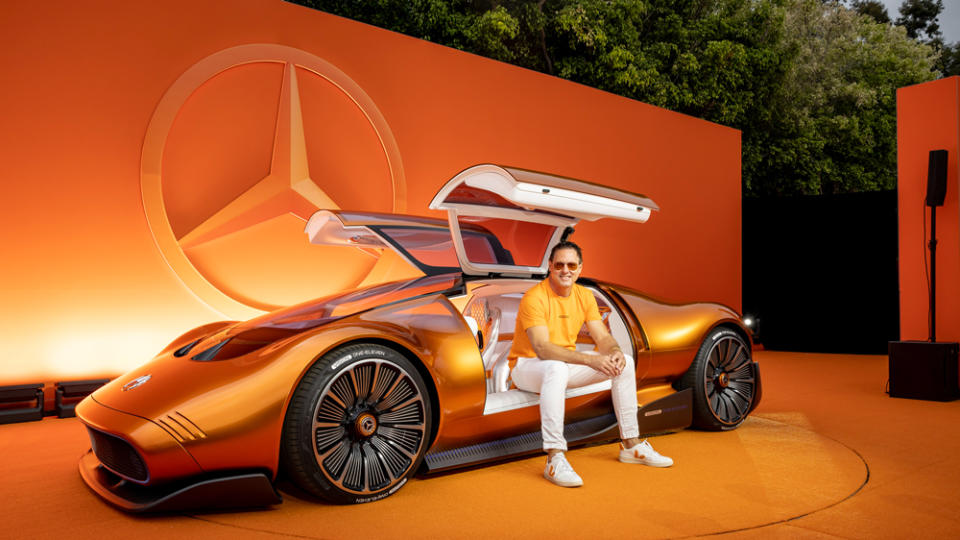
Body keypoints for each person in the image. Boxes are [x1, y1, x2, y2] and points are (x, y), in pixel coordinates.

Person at [508, 240, 673, 487]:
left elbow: (602, 336)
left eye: (571, 265)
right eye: (560, 264)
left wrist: (614, 351)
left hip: (562, 367)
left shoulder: (585, 296)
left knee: (625, 363)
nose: (566, 270)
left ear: (580, 268)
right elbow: (542, 348)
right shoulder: (535, 297)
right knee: (555, 367)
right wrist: (591, 360)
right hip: (527, 367)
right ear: (550, 267)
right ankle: (555, 457)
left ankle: (631, 445)